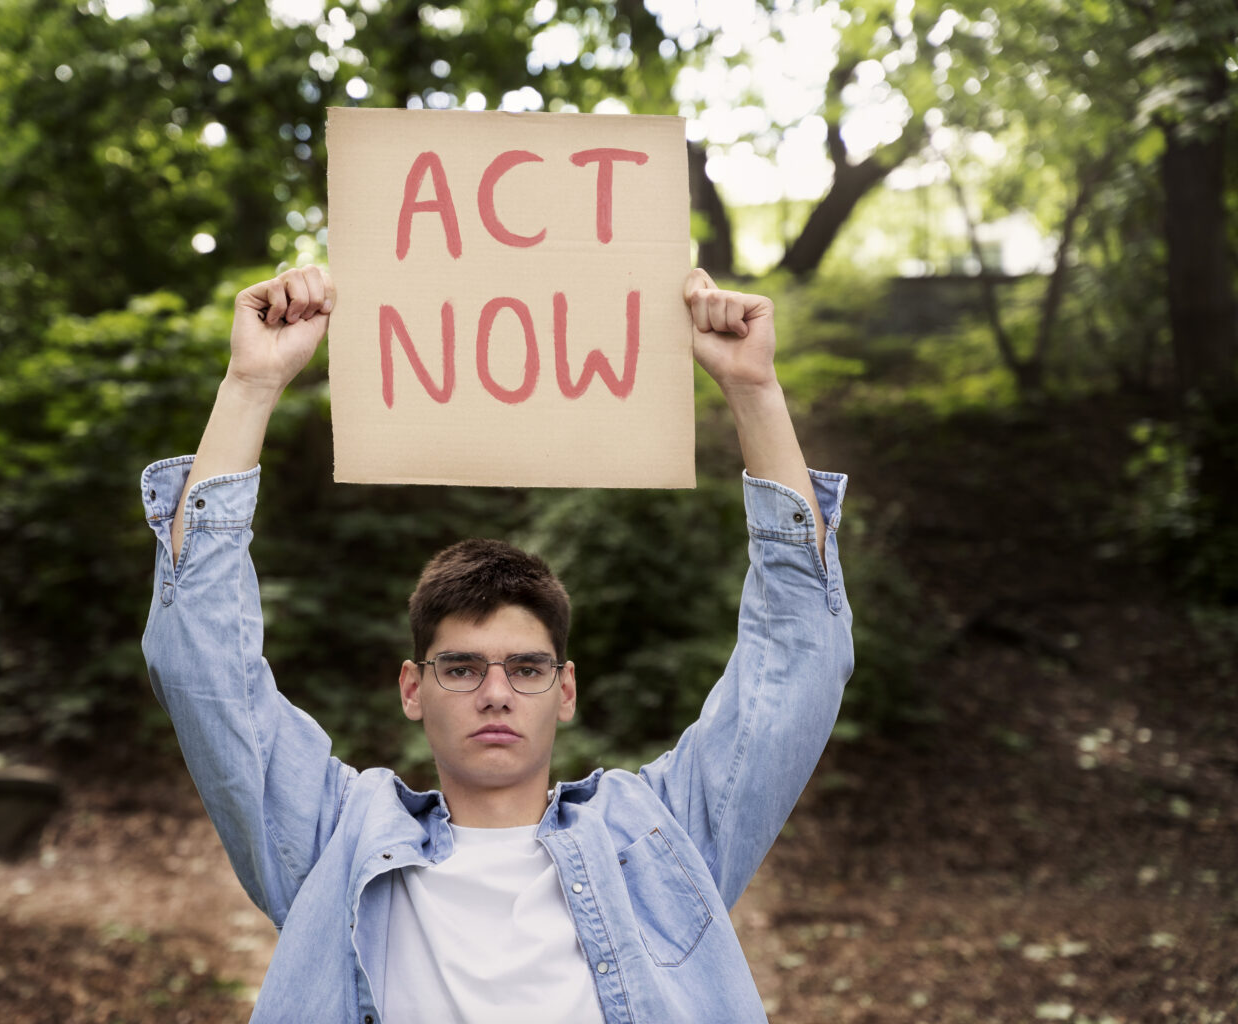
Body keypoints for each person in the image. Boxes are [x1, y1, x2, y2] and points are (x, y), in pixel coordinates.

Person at [139, 264, 853, 1023]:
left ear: (566, 689)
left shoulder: (654, 842)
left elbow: (797, 661)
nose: (496, 691)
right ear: (412, 688)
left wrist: (754, 392)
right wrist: (250, 386)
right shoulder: (335, 839)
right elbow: (199, 658)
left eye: (527, 667)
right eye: (460, 667)